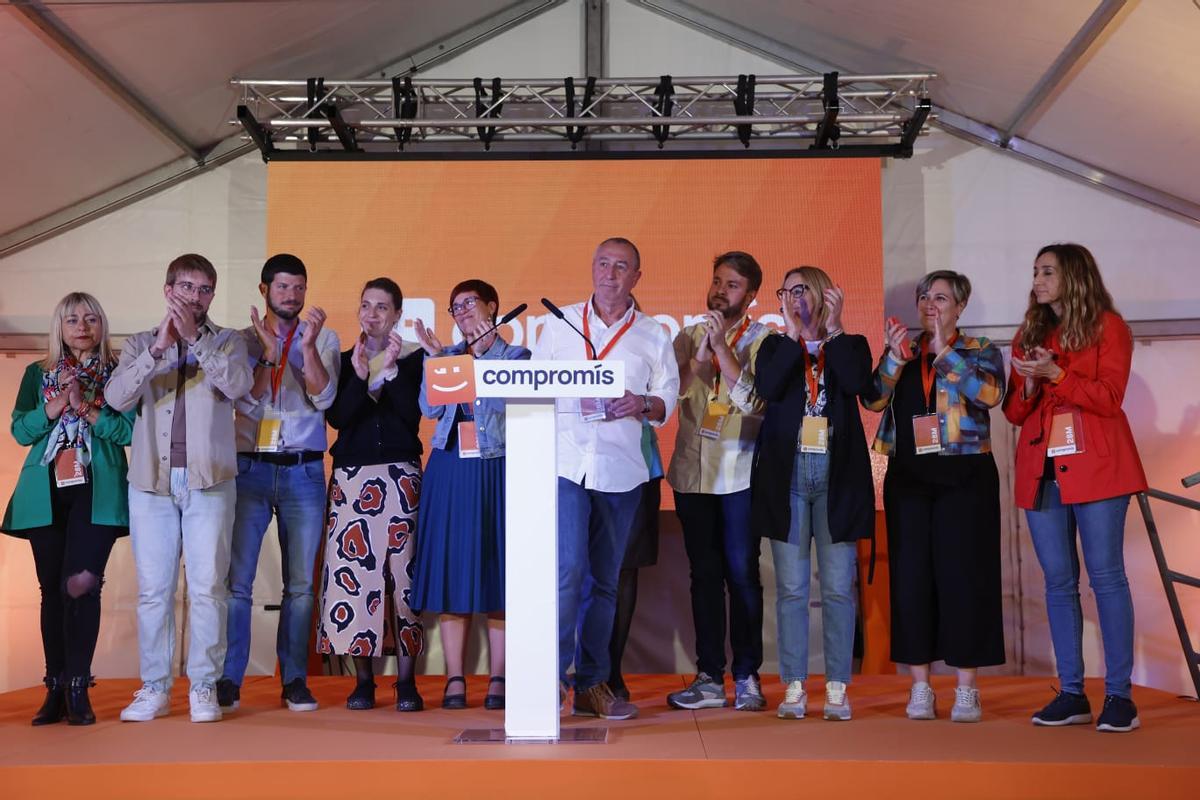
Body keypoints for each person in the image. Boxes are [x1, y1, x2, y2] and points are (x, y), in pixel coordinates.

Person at [532, 237, 678, 720]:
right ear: (591, 268)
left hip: (621, 470)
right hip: (566, 464)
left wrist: (643, 403)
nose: (610, 274)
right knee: (567, 571)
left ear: (636, 277)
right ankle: (550, 680)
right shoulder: (559, 324)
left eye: (621, 266)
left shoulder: (653, 334)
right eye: (603, 264)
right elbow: (534, 386)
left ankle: (592, 683)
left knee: (605, 581)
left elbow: (667, 397)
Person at [1004, 243, 1147, 733]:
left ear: (1075, 276)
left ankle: (1120, 697)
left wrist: (1056, 374)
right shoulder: (1030, 331)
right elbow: (1014, 412)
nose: (1038, 280)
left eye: (1048, 272)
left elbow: (1109, 398)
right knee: (1058, 582)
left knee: (1106, 578)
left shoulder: (1109, 327)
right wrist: (1029, 383)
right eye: (1035, 272)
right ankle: (1071, 693)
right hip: (1042, 470)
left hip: (1099, 469)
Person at [105, 254, 253, 723]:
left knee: (208, 588)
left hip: (210, 478)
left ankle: (204, 685)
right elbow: (115, 398)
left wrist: (195, 341)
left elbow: (239, 386)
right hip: (152, 480)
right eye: (187, 287)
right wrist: (157, 350)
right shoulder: (139, 343)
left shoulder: (228, 341)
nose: (195, 296)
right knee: (155, 591)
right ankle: (155, 687)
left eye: (205, 289)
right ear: (169, 290)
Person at [862, 270, 1006, 723]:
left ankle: (966, 688)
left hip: (965, 476)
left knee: (964, 578)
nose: (931, 305)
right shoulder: (906, 351)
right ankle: (920, 686)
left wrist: (944, 352)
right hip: (909, 477)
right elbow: (872, 400)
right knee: (911, 580)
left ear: (960, 306)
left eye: (941, 298)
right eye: (925, 297)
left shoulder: (979, 350)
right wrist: (892, 357)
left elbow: (989, 395)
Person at [3, 293, 134, 725]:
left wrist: (86, 408)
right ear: (59, 326)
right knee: (51, 590)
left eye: (91, 318)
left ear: (102, 325)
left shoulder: (120, 373)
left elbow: (129, 430)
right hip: (46, 487)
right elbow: (21, 430)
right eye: (72, 319)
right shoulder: (37, 373)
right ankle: (54, 687)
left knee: (81, 585)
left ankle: (78, 685)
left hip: (98, 486)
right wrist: (56, 405)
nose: (82, 327)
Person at [218, 254, 339, 714]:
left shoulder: (323, 337)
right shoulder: (241, 340)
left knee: (301, 586)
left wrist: (305, 349)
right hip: (250, 467)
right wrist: (268, 356)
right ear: (264, 289)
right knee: (238, 583)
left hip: (304, 470)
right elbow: (243, 402)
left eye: (299, 287)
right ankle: (230, 678)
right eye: (283, 287)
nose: (292, 295)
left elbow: (323, 397)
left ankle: (294, 680)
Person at [752, 267, 874, 720]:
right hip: (787, 475)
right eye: (785, 291)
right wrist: (791, 334)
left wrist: (834, 330)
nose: (793, 297)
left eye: (801, 289)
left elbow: (858, 384)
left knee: (839, 587)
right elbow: (767, 388)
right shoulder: (774, 346)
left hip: (837, 475)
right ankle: (794, 685)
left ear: (824, 294)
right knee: (791, 589)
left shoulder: (851, 344)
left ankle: (837, 686)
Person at [411, 279, 530, 710]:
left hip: (497, 466)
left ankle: (498, 677)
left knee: (499, 571)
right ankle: (455, 678)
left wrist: (478, 359)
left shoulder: (517, 357)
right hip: (450, 468)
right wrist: (436, 359)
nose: (461, 312)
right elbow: (430, 409)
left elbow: (504, 406)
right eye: (455, 307)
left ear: (492, 307)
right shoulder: (446, 355)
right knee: (452, 572)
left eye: (469, 304)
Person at [665, 251, 771, 712]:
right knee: (704, 577)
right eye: (716, 281)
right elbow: (668, 397)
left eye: (732, 285)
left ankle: (747, 674)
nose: (720, 291)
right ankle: (709, 676)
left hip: (739, 474)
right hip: (692, 474)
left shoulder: (765, 341)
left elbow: (757, 404)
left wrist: (724, 352)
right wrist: (699, 357)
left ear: (751, 295)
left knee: (743, 574)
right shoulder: (687, 337)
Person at [317, 278, 426, 711]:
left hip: (401, 476)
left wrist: (393, 373)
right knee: (354, 578)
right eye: (366, 305)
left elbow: (412, 416)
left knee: (404, 577)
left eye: (382, 307)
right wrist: (362, 377)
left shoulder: (414, 361)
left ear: (397, 314)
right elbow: (338, 417)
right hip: (352, 478)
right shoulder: (345, 361)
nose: (373, 314)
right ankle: (363, 681)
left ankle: (406, 682)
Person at [607, 421, 663, 702]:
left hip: (639, 463)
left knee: (625, 570)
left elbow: (661, 403)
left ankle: (611, 672)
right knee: (579, 571)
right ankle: (585, 670)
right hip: (578, 465)